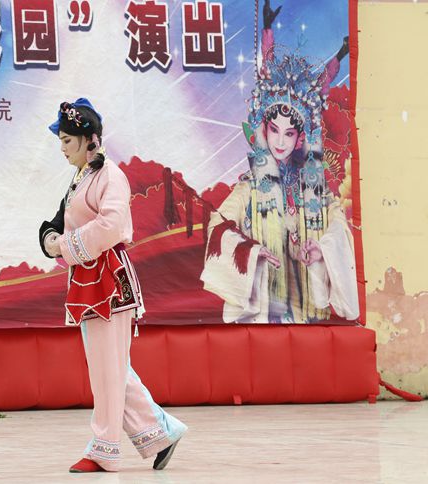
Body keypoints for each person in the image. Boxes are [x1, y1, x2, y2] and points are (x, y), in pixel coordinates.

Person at [40, 98, 187, 473]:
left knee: (108, 369)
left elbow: (111, 226)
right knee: (110, 367)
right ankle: (161, 432)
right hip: (88, 279)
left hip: (109, 280)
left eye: (67, 141)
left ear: (88, 139)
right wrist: (50, 238)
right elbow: (59, 220)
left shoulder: (111, 176)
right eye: (61, 141)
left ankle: (104, 449)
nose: (62, 148)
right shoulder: (81, 178)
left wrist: (65, 246)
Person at [200, 1, 359, 323]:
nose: (280, 142)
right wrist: (251, 251)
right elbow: (218, 225)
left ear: (300, 138)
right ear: (264, 130)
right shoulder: (250, 188)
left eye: (289, 133)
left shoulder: (313, 189)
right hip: (265, 310)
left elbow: (338, 223)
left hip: (308, 312)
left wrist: (323, 250)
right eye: (274, 130)